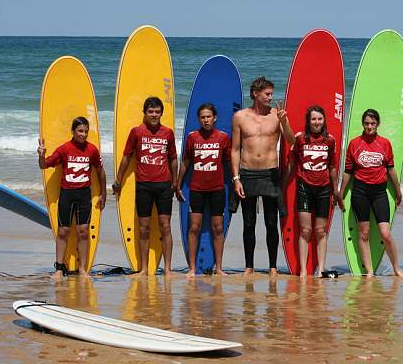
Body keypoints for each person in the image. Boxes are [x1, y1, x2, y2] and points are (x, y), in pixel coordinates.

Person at [231, 76, 295, 277]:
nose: (270, 98)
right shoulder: (240, 117)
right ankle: (249, 266)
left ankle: (273, 266)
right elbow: (234, 149)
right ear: (255, 94)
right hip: (247, 173)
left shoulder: (277, 115)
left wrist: (284, 121)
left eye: (271, 94)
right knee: (248, 223)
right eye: (267, 94)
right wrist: (236, 178)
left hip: (270, 173)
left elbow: (292, 140)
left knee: (270, 223)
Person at [113, 96, 178, 276]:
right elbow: (126, 157)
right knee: (144, 228)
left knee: (165, 226)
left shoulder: (168, 133)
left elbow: (173, 158)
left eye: (157, 112)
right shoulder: (137, 132)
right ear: (145, 113)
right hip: (143, 186)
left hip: (164, 185)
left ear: (161, 113)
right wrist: (118, 180)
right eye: (150, 111)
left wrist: (175, 181)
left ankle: (167, 269)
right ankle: (143, 268)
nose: (154, 115)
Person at [338, 109, 403, 278]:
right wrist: (340, 193)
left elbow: (391, 170)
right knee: (364, 233)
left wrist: (398, 190)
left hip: (379, 193)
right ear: (363, 124)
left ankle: (396, 268)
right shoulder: (354, 144)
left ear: (378, 124)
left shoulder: (385, 143)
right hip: (360, 192)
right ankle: (369, 271)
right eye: (367, 123)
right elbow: (348, 171)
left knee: (385, 233)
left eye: (372, 123)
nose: (369, 127)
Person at [38, 116, 107, 279]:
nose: (83, 134)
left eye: (85, 131)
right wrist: (41, 155)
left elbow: (100, 171)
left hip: (84, 194)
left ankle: (83, 269)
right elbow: (44, 165)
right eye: (80, 131)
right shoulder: (64, 149)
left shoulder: (92, 150)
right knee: (63, 231)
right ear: (73, 131)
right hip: (67, 194)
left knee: (83, 232)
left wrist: (103, 194)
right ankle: (59, 269)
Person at [283, 105, 342, 278]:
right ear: (308, 122)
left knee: (321, 231)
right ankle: (302, 270)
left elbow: (332, 166)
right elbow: (291, 164)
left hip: (324, 189)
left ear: (324, 121)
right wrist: (283, 186)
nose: (316, 122)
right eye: (313, 119)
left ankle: (321, 269)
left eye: (319, 119)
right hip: (304, 188)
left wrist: (336, 190)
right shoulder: (300, 138)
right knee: (305, 230)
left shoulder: (330, 140)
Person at [176, 103, 231, 277]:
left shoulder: (223, 137)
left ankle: (219, 267)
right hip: (197, 189)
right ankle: (192, 268)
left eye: (208, 116)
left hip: (217, 189)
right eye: (202, 117)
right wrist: (177, 184)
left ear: (214, 118)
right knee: (194, 227)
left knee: (217, 228)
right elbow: (186, 163)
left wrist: (237, 182)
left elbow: (229, 164)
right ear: (199, 119)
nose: (206, 120)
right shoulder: (193, 137)